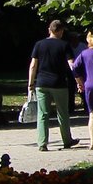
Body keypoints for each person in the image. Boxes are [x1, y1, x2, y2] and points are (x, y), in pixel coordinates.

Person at [27, 19, 78, 151]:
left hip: (42, 83)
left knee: (43, 114)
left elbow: (33, 65)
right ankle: (67, 140)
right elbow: (72, 64)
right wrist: (79, 79)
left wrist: (31, 83)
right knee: (62, 113)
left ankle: (42, 143)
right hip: (59, 83)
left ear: (49, 30)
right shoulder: (64, 45)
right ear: (61, 31)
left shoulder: (39, 44)